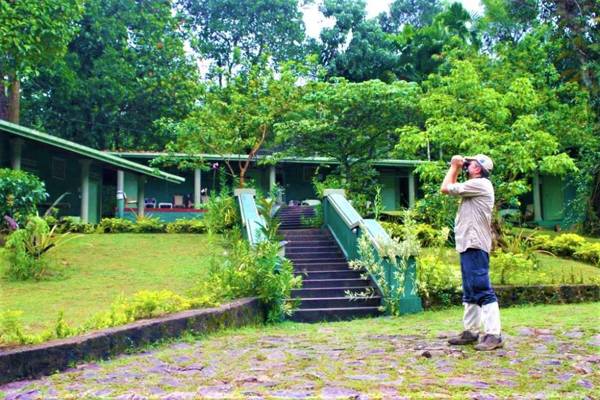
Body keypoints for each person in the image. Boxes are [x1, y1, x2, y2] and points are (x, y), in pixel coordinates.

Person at [440, 154, 503, 351]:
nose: (468, 166)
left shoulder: (481, 184)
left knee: (481, 288)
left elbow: (445, 188)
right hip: (467, 242)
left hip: (475, 243)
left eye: (471, 164)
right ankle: (471, 332)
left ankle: (494, 334)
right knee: (470, 289)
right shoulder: (474, 185)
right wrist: (461, 164)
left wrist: (454, 166)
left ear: (478, 169)